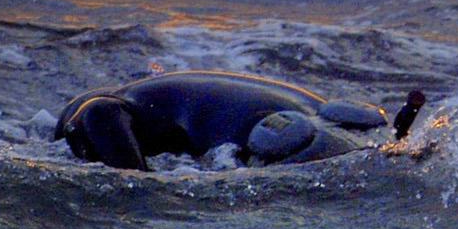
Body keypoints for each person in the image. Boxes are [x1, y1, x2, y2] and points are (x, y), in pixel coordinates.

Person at [54, 70, 423, 170]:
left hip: (287, 142)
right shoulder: (148, 97)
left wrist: (134, 185)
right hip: (327, 133)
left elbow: (100, 116)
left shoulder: (109, 107)